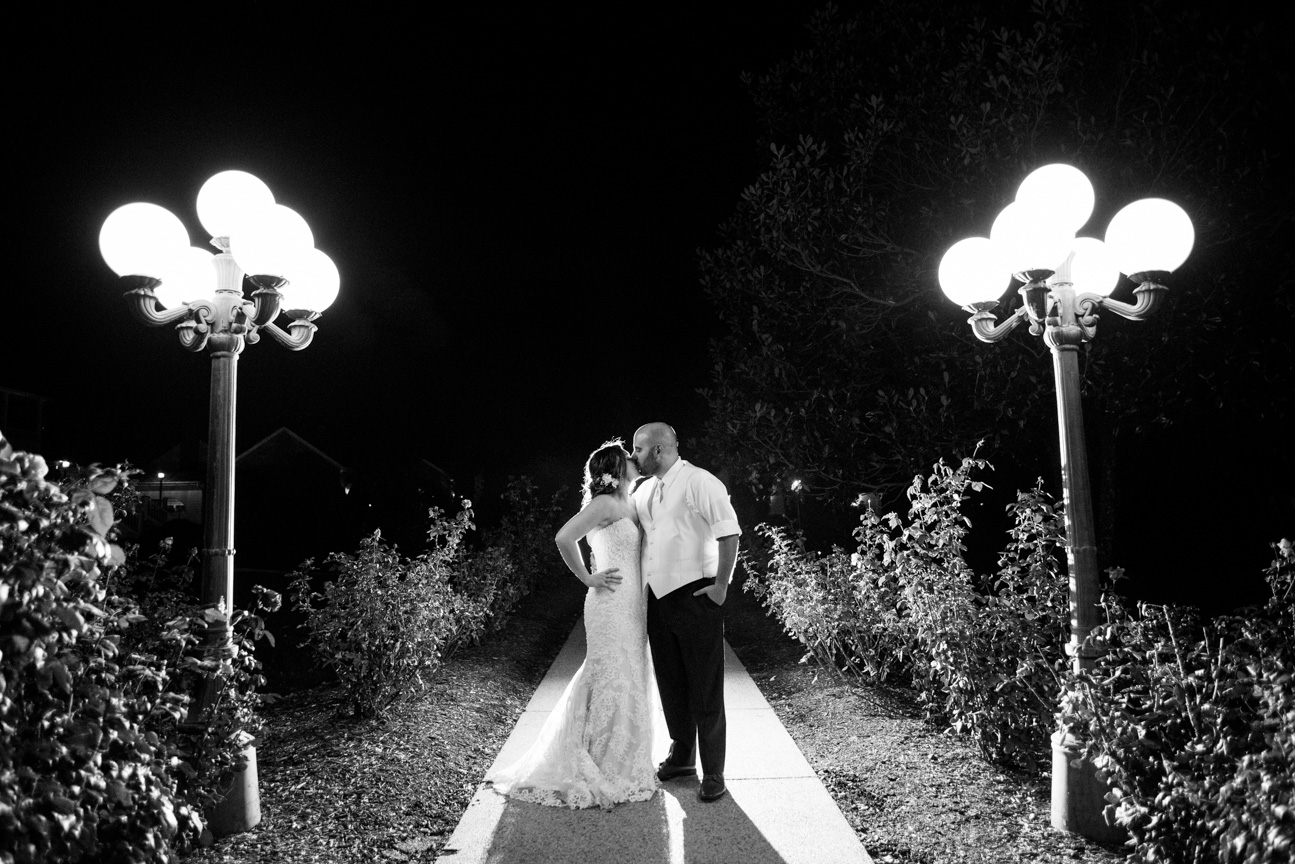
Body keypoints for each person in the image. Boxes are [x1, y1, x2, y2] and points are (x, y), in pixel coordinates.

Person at [487, 440, 658, 809]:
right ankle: (601, 761)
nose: (634, 460)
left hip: (634, 605)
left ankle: (627, 758)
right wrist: (587, 578)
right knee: (610, 674)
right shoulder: (603, 504)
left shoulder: (631, 501)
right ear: (615, 467)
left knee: (631, 673)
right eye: (628, 458)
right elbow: (564, 537)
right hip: (609, 604)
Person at [631, 422, 741, 803]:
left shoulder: (700, 481)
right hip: (658, 602)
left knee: (705, 688)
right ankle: (682, 758)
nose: (634, 457)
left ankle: (714, 772)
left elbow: (729, 532)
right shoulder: (644, 490)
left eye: (638, 450)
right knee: (671, 684)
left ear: (658, 450)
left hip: (696, 597)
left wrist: (722, 586)